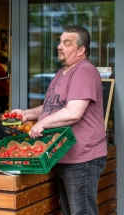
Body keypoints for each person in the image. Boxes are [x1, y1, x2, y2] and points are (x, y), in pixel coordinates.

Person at [11, 25, 107, 215]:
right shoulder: (61, 73)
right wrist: (27, 114)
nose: (59, 46)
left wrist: (42, 124)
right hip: (62, 155)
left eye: (67, 43)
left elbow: (73, 112)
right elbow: (51, 108)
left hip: (82, 158)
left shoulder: (84, 71)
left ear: (81, 50)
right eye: (60, 41)